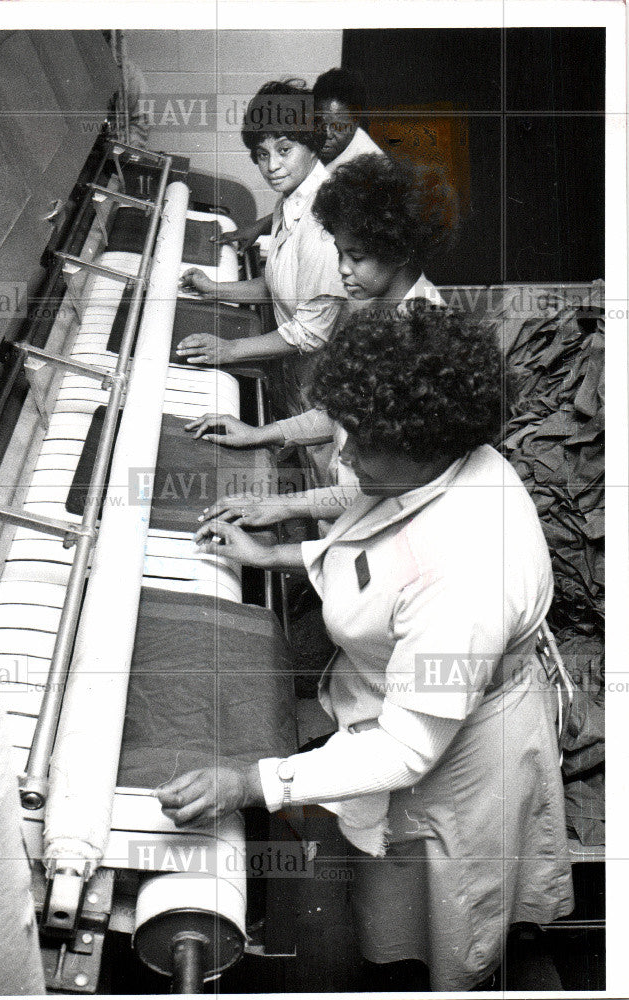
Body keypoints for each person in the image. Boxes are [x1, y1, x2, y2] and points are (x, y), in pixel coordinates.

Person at [157, 302, 574, 991]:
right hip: (397, 699)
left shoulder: (468, 570)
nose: (345, 455)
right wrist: (271, 554)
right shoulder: (431, 467)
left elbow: (408, 746)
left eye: (364, 444)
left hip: (455, 752)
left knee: (444, 908)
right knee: (393, 885)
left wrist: (251, 783)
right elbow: (373, 545)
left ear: (423, 443)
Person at [186, 153, 459, 516]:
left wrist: (281, 509)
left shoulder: (421, 341)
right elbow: (340, 413)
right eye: (340, 253)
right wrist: (259, 432)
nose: (342, 270)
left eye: (356, 258)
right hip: (341, 498)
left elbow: (385, 494)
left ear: (398, 251)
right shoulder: (371, 304)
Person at [175, 80, 346, 431]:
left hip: (329, 387)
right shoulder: (291, 199)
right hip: (300, 375)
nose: (272, 166)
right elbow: (280, 285)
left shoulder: (323, 222)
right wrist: (215, 289)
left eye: (285, 150)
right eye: (263, 155)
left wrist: (230, 349)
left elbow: (311, 333)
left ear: (312, 145)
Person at [215, 68, 382, 253]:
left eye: (338, 127)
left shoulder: (371, 170)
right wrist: (258, 227)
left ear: (356, 122)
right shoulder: (315, 142)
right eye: (322, 123)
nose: (326, 134)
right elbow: (301, 200)